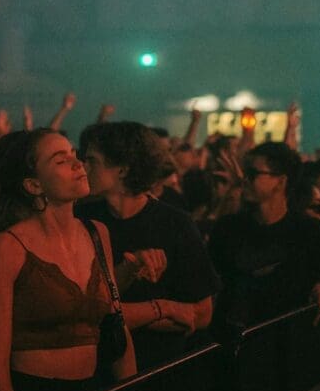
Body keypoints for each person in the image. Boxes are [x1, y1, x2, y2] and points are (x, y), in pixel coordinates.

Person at [0, 129, 135, 391]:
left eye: (75, 155)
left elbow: (117, 323)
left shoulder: (97, 233)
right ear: (34, 184)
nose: (78, 164)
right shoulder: (8, 246)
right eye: (61, 161)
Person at [79, 121, 220, 370]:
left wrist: (121, 316)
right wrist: (165, 309)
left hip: (162, 368)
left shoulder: (175, 224)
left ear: (122, 170)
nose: (83, 167)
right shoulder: (83, 219)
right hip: (99, 369)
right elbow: (86, 313)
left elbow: (201, 314)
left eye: (92, 161)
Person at [209, 142, 320, 330]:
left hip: (289, 342)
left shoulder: (310, 231)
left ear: (281, 181)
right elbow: (212, 282)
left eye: (253, 174)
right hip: (236, 341)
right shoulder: (228, 229)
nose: (244, 180)